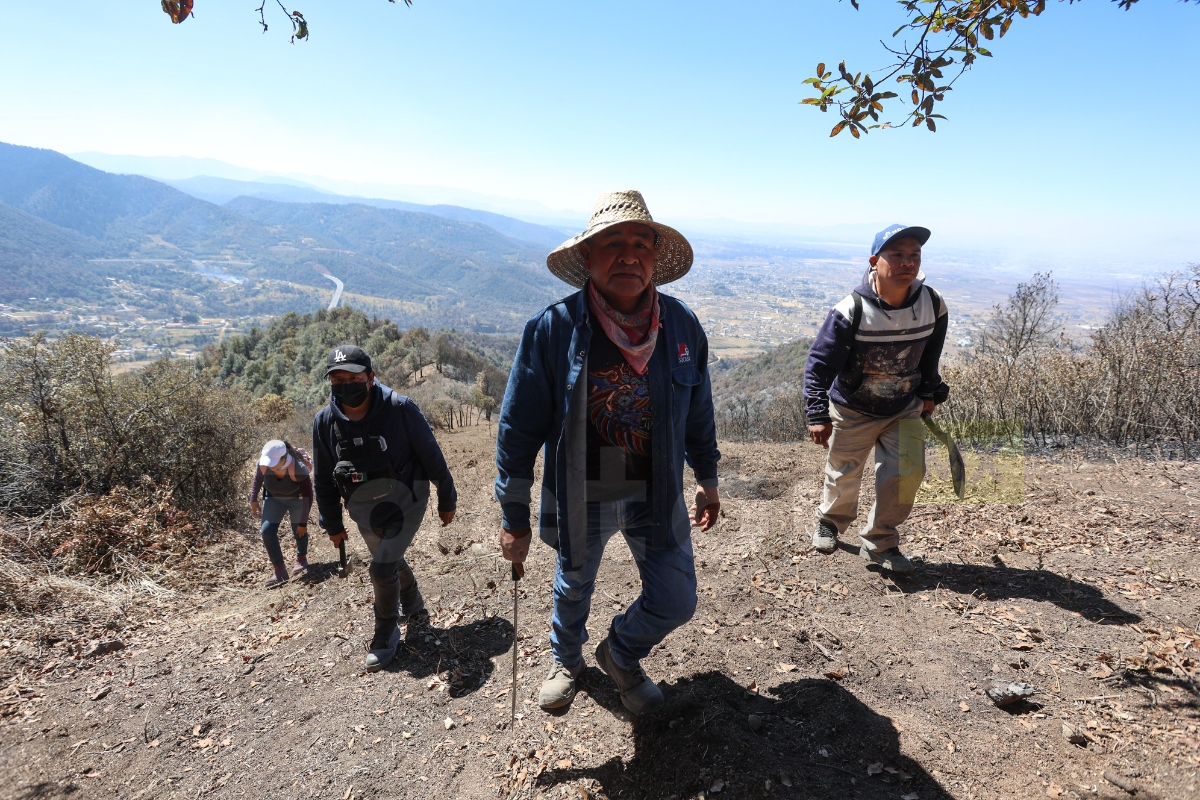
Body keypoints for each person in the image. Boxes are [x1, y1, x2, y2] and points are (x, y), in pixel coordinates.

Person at [494, 190, 721, 716]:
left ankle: (619, 652)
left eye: (641, 244)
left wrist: (707, 477)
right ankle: (565, 659)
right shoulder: (553, 330)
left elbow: (699, 410)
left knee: (676, 599)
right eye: (612, 243)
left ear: (654, 260)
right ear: (588, 258)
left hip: (657, 478)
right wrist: (513, 517)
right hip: (586, 478)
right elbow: (517, 431)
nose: (628, 255)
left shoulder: (681, 327)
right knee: (575, 579)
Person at [803, 224, 950, 574]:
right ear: (874, 261)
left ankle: (881, 541)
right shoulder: (850, 310)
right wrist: (816, 413)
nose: (907, 262)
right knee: (844, 472)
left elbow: (930, 355)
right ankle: (831, 523)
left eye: (914, 255)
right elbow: (819, 364)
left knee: (907, 472)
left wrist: (929, 392)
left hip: (904, 408)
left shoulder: (932, 303)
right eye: (897, 254)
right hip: (853, 408)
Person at [312, 344, 458, 672]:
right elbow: (322, 478)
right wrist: (332, 523)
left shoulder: (400, 409)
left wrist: (447, 497)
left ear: (371, 377)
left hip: (409, 499)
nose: (345, 384)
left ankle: (386, 631)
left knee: (380, 568)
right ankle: (414, 602)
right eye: (337, 379)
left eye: (353, 377)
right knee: (388, 561)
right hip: (364, 509)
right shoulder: (324, 423)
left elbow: (432, 456)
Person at [249, 439, 314, 586]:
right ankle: (279, 571)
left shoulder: (298, 467)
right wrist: (253, 499)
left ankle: (301, 558)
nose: (269, 464)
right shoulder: (263, 463)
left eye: (273, 461)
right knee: (267, 531)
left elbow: (308, 495)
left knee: (298, 530)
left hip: (298, 500)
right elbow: (257, 479)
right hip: (273, 498)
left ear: (284, 458)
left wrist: (303, 522)